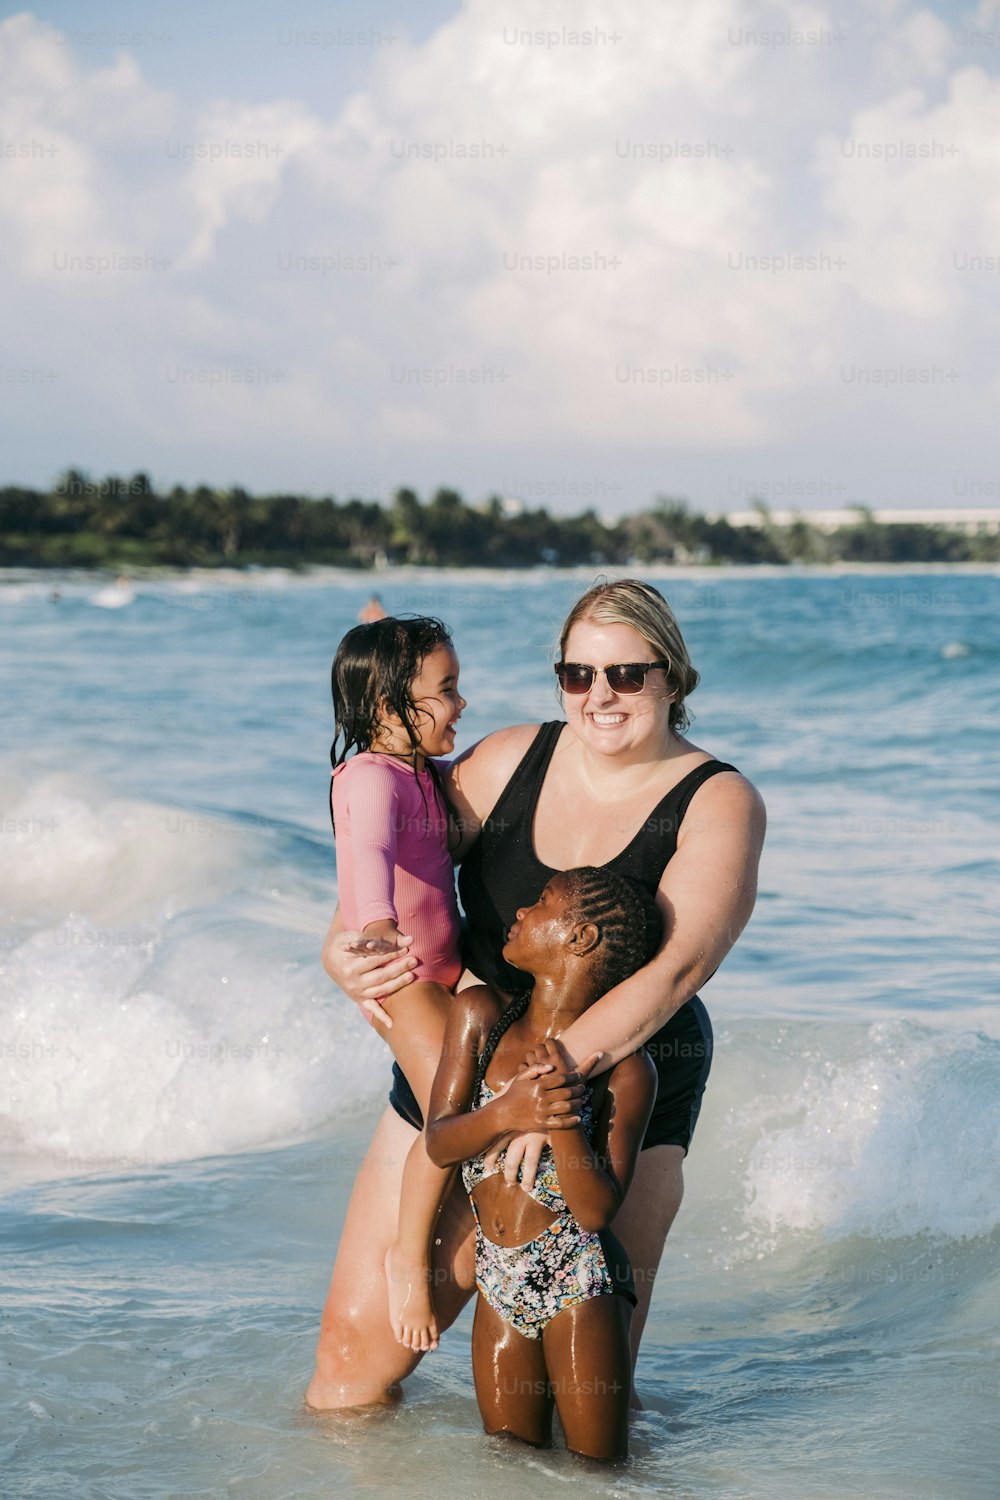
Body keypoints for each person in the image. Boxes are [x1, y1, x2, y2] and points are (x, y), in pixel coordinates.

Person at [306, 578, 766, 1412]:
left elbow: (675, 974)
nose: (600, 696)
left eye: (627, 673)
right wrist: (341, 945)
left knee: (583, 1399)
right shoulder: (508, 760)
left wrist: (544, 1088)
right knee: (350, 1369)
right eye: (577, 674)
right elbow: (386, 849)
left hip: (621, 1095)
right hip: (463, 1066)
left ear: (673, 676)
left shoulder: (717, 802)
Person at [426, 866, 662, 1459]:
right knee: (510, 1465)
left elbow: (595, 1211)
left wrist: (559, 1117)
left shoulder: (626, 1072)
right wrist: (511, 1110)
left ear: (580, 938)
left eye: (542, 902)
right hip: (498, 1282)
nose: (522, 911)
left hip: (581, 1282)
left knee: (599, 1473)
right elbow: (440, 1142)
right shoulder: (481, 1015)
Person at [328, 614, 467, 1352]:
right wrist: (376, 925)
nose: (461, 702)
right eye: (445, 690)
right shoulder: (367, 779)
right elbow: (368, 850)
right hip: (402, 974)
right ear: (389, 710)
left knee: (467, 1096)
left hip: (450, 966)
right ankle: (408, 1258)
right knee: (453, 1107)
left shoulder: (427, 774)